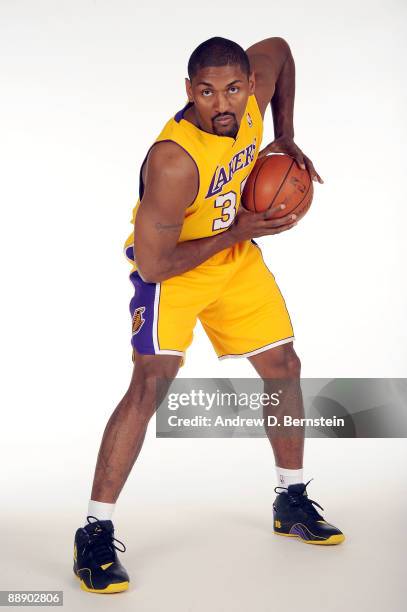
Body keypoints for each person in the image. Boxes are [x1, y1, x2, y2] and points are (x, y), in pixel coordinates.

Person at [73, 36, 344, 595]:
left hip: (233, 259)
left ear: (249, 85)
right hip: (174, 272)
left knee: (284, 367)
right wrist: (239, 230)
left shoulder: (252, 98)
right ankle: (94, 531)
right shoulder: (174, 160)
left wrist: (285, 135)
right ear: (188, 91)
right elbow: (152, 264)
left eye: (234, 89)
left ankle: (290, 499)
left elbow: (280, 49)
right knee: (150, 386)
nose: (222, 104)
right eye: (206, 92)